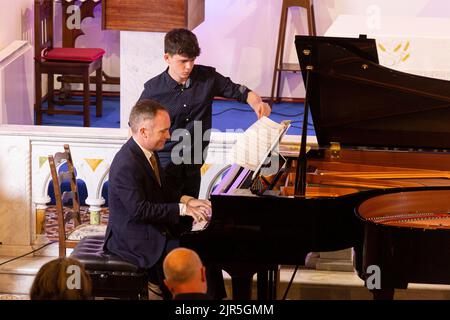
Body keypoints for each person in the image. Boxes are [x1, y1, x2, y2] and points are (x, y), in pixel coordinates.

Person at [139, 28, 271, 198]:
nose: (189, 67)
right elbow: (135, 129)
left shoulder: (207, 77)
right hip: (165, 165)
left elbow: (240, 92)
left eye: (192, 60)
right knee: (168, 213)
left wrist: (257, 103)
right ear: (167, 58)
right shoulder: (153, 89)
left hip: (194, 162)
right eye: (183, 61)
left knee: (189, 216)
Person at [103, 99, 214, 299]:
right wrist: (182, 210)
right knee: (186, 257)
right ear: (144, 131)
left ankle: (205, 298)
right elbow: (140, 210)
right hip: (132, 238)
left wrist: (188, 200)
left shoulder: (147, 153)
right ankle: (183, 296)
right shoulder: (126, 164)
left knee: (202, 249)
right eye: (163, 131)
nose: (169, 135)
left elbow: (163, 191)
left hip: (147, 227)